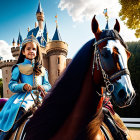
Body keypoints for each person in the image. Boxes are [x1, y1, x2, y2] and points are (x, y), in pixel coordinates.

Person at [0, 35, 51, 139]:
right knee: (20, 112)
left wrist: (43, 87)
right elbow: (12, 85)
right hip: (24, 98)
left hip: (40, 98)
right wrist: (23, 86)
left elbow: (48, 85)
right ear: (23, 52)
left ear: (37, 52)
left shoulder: (43, 70)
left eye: (34, 49)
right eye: (28, 49)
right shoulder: (18, 68)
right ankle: (4, 136)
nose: (31, 51)